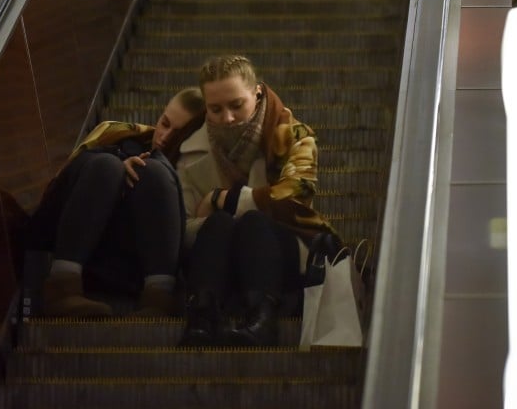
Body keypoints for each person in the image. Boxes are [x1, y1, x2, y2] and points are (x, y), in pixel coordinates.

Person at [177, 55, 338, 347]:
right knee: (221, 223)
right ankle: (201, 316)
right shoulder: (189, 148)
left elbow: (295, 196)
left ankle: (262, 318)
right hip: (215, 261)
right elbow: (182, 230)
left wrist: (223, 198)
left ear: (258, 93)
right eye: (215, 109)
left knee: (252, 222)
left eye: (236, 105)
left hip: (278, 257)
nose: (227, 118)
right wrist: (223, 218)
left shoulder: (293, 135)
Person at [27, 88, 205, 318]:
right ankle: (62, 287)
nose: (163, 136)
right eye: (164, 123)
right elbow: (63, 188)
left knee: (154, 172)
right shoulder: (123, 140)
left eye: (178, 132)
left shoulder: (199, 169)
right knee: (107, 166)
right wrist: (120, 162)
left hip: (141, 267)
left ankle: (159, 296)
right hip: (90, 251)